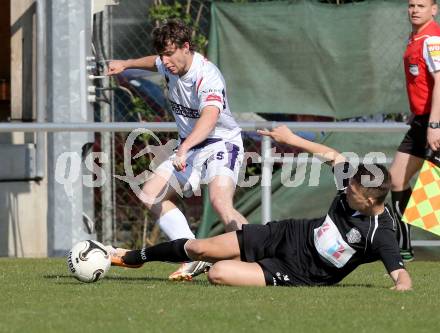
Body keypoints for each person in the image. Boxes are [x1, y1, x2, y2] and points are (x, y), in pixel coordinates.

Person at [108, 126, 412, 291]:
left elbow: (401, 275)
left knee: (219, 274)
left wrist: (401, 287)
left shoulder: (380, 233)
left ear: (372, 201)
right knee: (200, 247)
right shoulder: (354, 184)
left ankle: (233, 260)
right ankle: (132, 257)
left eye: (354, 194)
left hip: (299, 272)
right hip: (288, 234)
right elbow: (333, 156)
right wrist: (291, 138)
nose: (346, 193)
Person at [107, 20, 247, 280]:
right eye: (163, 54)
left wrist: (184, 148)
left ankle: (262, 254)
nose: (165, 61)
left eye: (170, 53)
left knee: (220, 202)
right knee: (150, 194)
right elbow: (153, 62)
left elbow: (209, 118)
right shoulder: (169, 63)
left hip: (220, 143)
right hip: (191, 146)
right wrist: (125, 63)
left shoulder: (207, 76)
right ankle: (192, 255)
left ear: (186, 47)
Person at [389, 0, 440, 261]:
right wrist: (419, 112)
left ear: (434, 9)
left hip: (434, 123)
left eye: (421, 5)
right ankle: (404, 245)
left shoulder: (432, 39)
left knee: (433, 196)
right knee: (396, 177)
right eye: (411, 5)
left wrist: (434, 124)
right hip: (422, 121)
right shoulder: (415, 37)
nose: (415, 10)